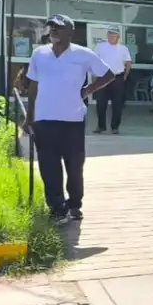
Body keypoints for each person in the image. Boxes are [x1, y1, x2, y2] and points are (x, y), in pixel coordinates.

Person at [23, 14, 115, 225]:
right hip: (44, 119)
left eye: (59, 27)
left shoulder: (83, 54)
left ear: (70, 32)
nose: (54, 31)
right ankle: (57, 208)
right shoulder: (39, 54)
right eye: (51, 27)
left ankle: (74, 204)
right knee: (48, 166)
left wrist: (88, 90)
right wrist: (29, 117)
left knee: (74, 166)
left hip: (72, 119)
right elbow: (33, 86)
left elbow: (109, 75)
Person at [92, 26, 132, 135]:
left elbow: (128, 64)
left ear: (118, 36)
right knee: (101, 103)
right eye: (109, 35)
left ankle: (115, 127)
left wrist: (124, 76)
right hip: (103, 77)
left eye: (113, 35)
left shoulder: (123, 49)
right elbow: (94, 61)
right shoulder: (100, 46)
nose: (111, 37)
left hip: (117, 77)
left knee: (117, 104)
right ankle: (101, 126)